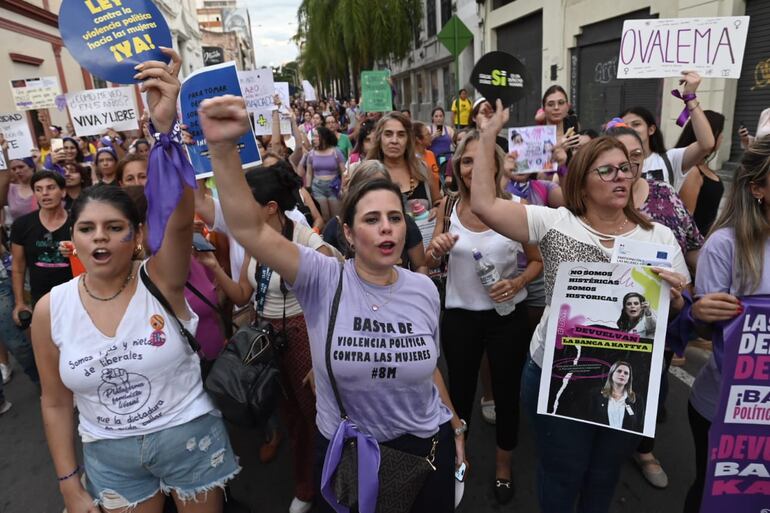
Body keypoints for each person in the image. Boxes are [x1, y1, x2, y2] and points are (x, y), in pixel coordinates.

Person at [203, 94, 466, 513]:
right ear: (346, 230)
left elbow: (428, 368)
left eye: (395, 218)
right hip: (350, 452)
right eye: (371, 219)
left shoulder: (424, 289)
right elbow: (249, 227)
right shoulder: (323, 277)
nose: (387, 229)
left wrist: (455, 426)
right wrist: (221, 147)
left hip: (426, 448)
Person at [30, 49, 240, 513]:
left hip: (190, 442)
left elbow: (181, 222)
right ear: (74, 238)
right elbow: (55, 403)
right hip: (109, 457)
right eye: (87, 229)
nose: (100, 238)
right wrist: (68, 483)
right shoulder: (51, 310)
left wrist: (166, 132)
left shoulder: (160, 281)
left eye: (114, 227)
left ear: (138, 236)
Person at [469, 100, 689, 513]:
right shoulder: (556, 223)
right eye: (606, 170)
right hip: (558, 372)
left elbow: (678, 309)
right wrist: (486, 137)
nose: (620, 176)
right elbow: (484, 203)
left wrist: (676, 301)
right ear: (582, 182)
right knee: (561, 472)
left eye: (625, 167)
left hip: (628, 376)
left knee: (604, 474)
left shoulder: (659, 238)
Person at [426, 129, 542, 504]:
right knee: (458, 394)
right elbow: (430, 259)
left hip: (507, 317)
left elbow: (537, 261)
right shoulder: (448, 207)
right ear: (458, 167)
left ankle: (504, 464)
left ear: (497, 167)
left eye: (483, 159)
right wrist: (436, 249)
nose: (474, 167)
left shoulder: (514, 208)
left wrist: (518, 280)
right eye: (467, 159)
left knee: (507, 395)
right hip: (460, 318)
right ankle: (461, 457)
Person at [682, 137, 770, 513]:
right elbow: (706, 334)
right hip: (725, 408)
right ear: (757, 188)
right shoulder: (725, 245)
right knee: (716, 494)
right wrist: (700, 313)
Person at [325, 160, 428, 274]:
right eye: (371, 220)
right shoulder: (333, 228)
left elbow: (420, 265)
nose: (386, 228)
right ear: (348, 232)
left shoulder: (405, 222)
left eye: (381, 186)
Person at [620, 71, 714, 191]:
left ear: (651, 129)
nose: (630, 129)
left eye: (636, 124)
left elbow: (706, 144)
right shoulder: (615, 164)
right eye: (624, 125)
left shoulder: (670, 159)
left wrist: (690, 96)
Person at [11, 171, 72, 325]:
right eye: (38, 189)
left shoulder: (78, 222)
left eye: (50, 188)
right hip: (40, 299)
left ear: (63, 191)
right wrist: (20, 303)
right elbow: (18, 267)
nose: (45, 193)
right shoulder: (22, 225)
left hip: (75, 298)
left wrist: (77, 250)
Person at [368, 112, 441, 219]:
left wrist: (437, 209)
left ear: (408, 140)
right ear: (379, 138)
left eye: (401, 135)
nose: (394, 141)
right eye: (388, 134)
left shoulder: (422, 169)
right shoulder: (367, 174)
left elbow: (438, 201)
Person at [675, 110, 726, 235]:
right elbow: (686, 221)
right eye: (720, 132)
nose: (722, 137)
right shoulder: (692, 171)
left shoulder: (703, 167)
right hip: (694, 246)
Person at [303, 126, 345, 220]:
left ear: (324, 137)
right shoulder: (311, 154)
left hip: (334, 187)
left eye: (316, 136)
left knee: (336, 217)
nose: (314, 139)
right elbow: (309, 173)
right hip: (317, 187)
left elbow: (344, 171)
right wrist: (308, 189)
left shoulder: (336, 152)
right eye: (313, 136)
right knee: (324, 216)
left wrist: (343, 187)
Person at [590, 361, 643, 432]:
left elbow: (639, 426)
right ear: (611, 374)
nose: (622, 374)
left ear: (629, 378)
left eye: (626, 373)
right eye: (619, 371)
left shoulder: (637, 399)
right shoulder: (596, 395)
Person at [6, 157, 38, 221]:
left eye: (21, 167)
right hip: (18, 229)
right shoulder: (10, 189)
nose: (17, 171)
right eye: (14, 169)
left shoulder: (42, 188)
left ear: (32, 167)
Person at [413, 121, 440, 192]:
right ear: (418, 139)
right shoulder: (412, 160)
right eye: (427, 134)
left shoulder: (430, 154)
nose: (430, 136)